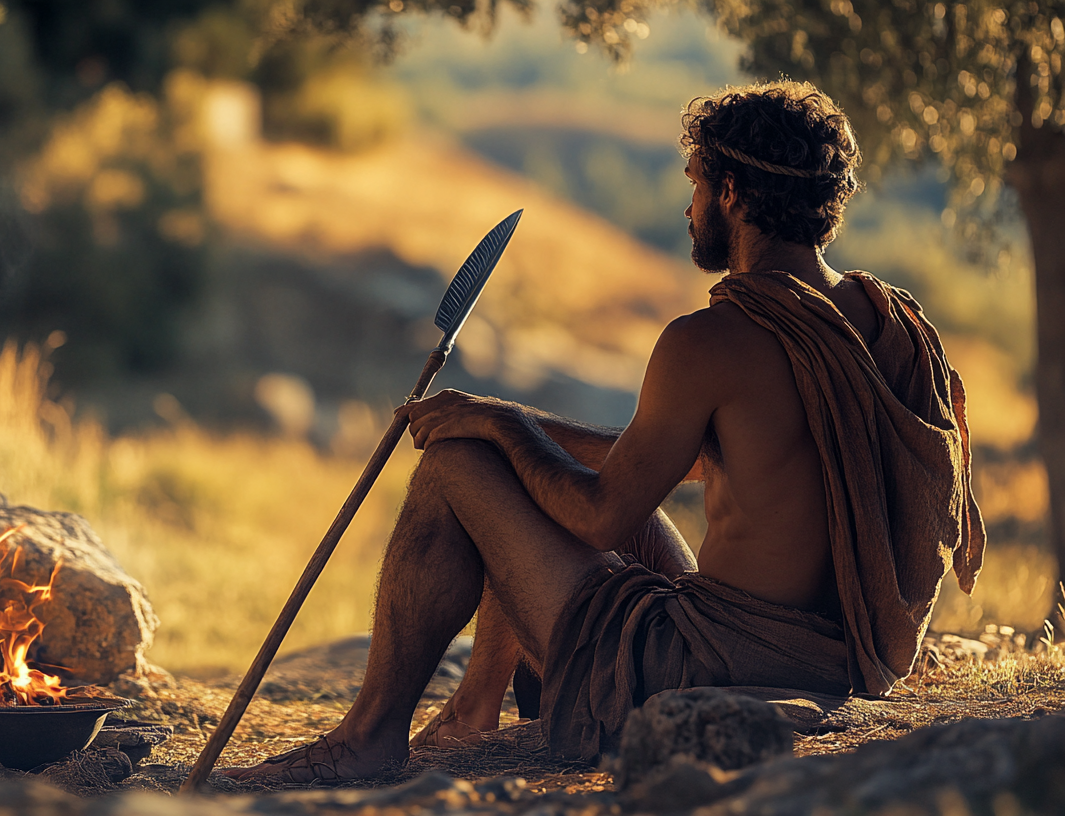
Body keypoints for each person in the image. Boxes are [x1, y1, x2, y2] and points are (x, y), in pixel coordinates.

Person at [225, 80, 985, 783]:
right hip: (830, 660)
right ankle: (468, 717)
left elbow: (600, 515)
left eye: (694, 186)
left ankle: (367, 738)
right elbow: (681, 464)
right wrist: (509, 423)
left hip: (701, 668)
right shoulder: (893, 322)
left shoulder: (713, 339)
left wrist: (500, 427)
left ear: (731, 193)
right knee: (514, 458)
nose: (688, 209)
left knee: (459, 463)